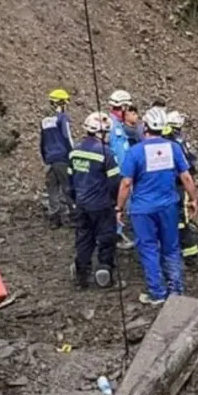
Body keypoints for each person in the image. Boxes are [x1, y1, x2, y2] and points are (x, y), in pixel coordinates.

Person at [117, 107, 198, 305]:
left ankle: (157, 293)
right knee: (171, 248)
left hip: (143, 209)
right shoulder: (173, 148)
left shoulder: (135, 151)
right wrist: (193, 199)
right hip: (168, 206)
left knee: (149, 249)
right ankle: (176, 289)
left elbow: (126, 183)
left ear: (146, 126)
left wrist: (118, 208)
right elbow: (186, 177)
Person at [68, 113, 121, 288]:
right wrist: (116, 202)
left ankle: (81, 274)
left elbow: (70, 179)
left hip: (81, 204)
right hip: (101, 204)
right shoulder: (106, 153)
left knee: (84, 238)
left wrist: (75, 199)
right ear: (102, 133)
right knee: (106, 238)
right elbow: (115, 182)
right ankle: (104, 270)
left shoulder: (75, 151)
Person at [164, 111, 198, 265]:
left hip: (167, 186)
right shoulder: (178, 142)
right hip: (179, 185)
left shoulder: (165, 141)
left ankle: (179, 253)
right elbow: (189, 164)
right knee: (181, 219)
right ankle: (190, 256)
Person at [40, 89, 74, 228]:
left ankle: (54, 218)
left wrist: (45, 157)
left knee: (52, 189)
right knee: (68, 187)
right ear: (61, 103)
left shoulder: (44, 121)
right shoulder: (62, 118)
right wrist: (72, 154)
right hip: (62, 158)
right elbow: (67, 137)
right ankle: (74, 216)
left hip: (49, 159)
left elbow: (42, 142)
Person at [107, 89, 135, 249]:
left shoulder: (116, 125)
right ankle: (115, 235)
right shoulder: (114, 127)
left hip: (120, 172)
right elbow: (117, 153)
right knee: (118, 203)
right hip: (118, 173)